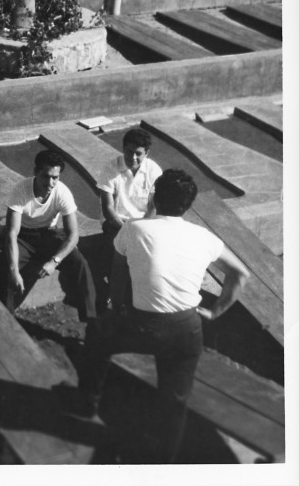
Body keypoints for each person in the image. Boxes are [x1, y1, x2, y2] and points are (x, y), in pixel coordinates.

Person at [76, 169, 250, 462]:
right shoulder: (203, 236)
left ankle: (87, 401)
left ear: (155, 196)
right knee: (175, 401)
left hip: (139, 325)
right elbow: (240, 274)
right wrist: (215, 311)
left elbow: (118, 274)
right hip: (185, 329)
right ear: (189, 204)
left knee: (96, 334)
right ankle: (164, 463)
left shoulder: (134, 230)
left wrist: (116, 306)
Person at [2, 150, 97, 325]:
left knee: (79, 262)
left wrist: (54, 261)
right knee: (7, 267)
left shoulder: (62, 192)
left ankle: (91, 319)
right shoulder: (20, 190)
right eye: (46, 176)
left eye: (55, 177)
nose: (50, 183)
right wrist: (14, 271)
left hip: (48, 234)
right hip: (23, 236)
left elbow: (73, 234)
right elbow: (11, 233)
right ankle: (7, 322)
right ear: (35, 172)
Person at [96, 128, 163, 303]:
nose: (132, 157)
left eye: (138, 153)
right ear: (123, 148)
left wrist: (141, 229)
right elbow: (108, 209)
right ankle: (114, 292)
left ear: (146, 153)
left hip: (144, 223)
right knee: (118, 252)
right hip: (116, 222)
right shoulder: (110, 168)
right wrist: (128, 230)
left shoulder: (154, 170)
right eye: (129, 152)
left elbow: (153, 207)